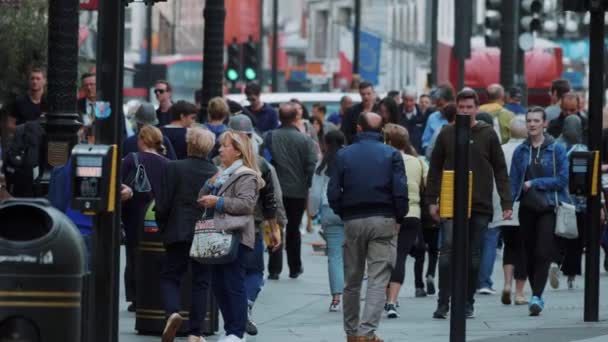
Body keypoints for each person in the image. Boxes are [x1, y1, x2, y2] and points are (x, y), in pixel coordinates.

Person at [426, 89, 512, 319]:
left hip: (480, 202)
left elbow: (500, 169)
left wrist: (506, 201)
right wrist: (431, 201)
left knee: (474, 256)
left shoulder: (488, 134)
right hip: (450, 201)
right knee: (447, 252)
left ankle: (467, 302)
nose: (465, 111)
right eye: (461, 107)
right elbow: (434, 169)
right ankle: (443, 301)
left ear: (476, 108)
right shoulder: (446, 133)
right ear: (457, 107)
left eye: (469, 107)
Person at [328, 112, 408, 342]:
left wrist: (342, 212)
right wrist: (399, 216)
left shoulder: (343, 155)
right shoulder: (392, 154)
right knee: (378, 278)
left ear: (359, 128)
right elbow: (400, 190)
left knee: (352, 280)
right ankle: (367, 332)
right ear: (380, 130)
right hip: (383, 218)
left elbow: (333, 191)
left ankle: (351, 333)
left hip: (353, 219)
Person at [197, 130, 263, 342]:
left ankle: (236, 332)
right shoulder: (222, 173)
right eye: (220, 145)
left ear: (237, 151)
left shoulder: (247, 175)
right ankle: (230, 330)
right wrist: (210, 185)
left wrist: (218, 202)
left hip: (236, 237)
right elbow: (200, 196)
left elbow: (246, 205)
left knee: (233, 284)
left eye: (225, 146)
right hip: (217, 235)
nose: (220, 149)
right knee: (218, 284)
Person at [155, 127, 217, 342]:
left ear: (189, 144)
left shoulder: (174, 168)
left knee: (170, 276)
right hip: (206, 232)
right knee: (201, 282)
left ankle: (172, 312)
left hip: (178, 231)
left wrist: (164, 229)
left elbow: (162, 206)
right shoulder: (216, 172)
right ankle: (195, 333)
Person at [226, 114, 285, 336]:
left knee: (231, 275)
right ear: (250, 137)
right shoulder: (263, 165)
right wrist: (277, 227)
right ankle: (245, 306)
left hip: (224, 226)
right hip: (253, 226)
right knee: (255, 272)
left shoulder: (219, 162)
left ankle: (236, 318)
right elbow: (273, 201)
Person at [509, 106, 570, 316]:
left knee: (543, 251)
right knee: (530, 253)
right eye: (529, 121)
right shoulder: (520, 151)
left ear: (544, 123)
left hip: (549, 207)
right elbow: (513, 181)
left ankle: (536, 297)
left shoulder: (556, 149)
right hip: (526, 208)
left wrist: (535, 182)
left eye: (536, 121)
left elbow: (562, 180)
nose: (532, 124)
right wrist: (508, 205)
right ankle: (537, 290)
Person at [263, 103, 317, 279]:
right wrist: (306, 183)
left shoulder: (269, 137)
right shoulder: (306, 140)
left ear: (280, 117)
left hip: (274, 190)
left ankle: (274, 268)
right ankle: (295, 266)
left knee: (274, 226)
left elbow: (264, 163)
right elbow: (311, 166)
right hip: (297, 191)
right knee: (294, 228)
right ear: (296, 118)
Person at [121, 125, 170, 312]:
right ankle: (154, 293)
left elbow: (117, 184)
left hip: (134, 214)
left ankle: (136, 297)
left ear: (141, 140)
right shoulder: (168, 164)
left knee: (134, 255)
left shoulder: (130, 159)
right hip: (159, 215)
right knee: (157, 253)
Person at [382, 123, 428, 319]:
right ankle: (392, 300)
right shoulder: (417, 162)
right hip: (412, 214)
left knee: (385, 257)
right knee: (400, 257)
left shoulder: (383, 159)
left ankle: (388, 298)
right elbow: (427, 185)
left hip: (387, 214)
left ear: (388, 141)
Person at [490, 117, 529, 305]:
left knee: (509, 245)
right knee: (523, 247)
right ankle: (520, 292)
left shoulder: (501, 150)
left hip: (503, 206)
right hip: (524, 205)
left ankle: (506, 284)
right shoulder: (528, 151)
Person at [309, 130, 347, 313]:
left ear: (326, 144)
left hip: (329, 209)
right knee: (354, 254)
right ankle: (352, 292)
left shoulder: (322, 165)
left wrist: (312, 212)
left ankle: (336, 298)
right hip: (351, 210)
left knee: (334, 256)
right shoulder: (350, 160)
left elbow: (315, 192)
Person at [556, 115, 588, 290]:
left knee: (559, 235)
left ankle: (555, 262)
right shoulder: (581, 148)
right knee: (576, 240)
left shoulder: (556, 146)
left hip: (559, 200)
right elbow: (583, 176)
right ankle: (571, 275)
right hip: (579, 203)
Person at [421, 84, 455, 153]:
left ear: (451, 102)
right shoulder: (432, 117)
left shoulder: (459, 118)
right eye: (436, 105)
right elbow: (425, 142)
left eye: (441, 105)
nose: (438, 109)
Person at [399, 88, 426, 153]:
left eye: (411, 100)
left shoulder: (422, 114)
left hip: (417, 152)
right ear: (402, 99)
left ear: (416, 100)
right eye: (406, 100)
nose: (408, 103)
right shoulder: (397, 113)